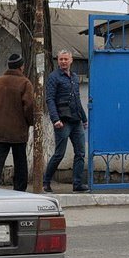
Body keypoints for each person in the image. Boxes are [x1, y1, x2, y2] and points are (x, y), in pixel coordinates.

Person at [0, 53, 35, 191]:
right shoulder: (25, 83)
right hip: (19, 131)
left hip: (0, 130)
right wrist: (29, 122)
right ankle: (19, 189)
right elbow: (29, 107)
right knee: (20, 161)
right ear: (21, 67)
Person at [43, 50, 89, 192]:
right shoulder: (54, 77)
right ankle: (45, 182)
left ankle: (77, 184)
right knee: (59, 154)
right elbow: (49, 99)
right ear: (58, 61)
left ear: (71, 61)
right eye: (61, 59)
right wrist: (55, 119)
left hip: (76, 121)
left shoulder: (74, 77)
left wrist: (84, 118)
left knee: (80, 152)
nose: (63, 61)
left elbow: (77, 100)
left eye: (66, 59)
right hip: (62, 121)